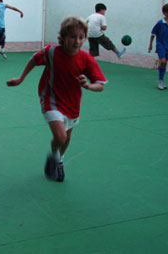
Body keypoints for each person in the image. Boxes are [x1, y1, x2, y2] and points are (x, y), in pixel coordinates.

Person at [6, 16, 107, 182]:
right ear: (63, 37)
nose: (77, 41)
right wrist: (20, 79)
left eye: (81, 37)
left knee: (67, 138)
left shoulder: (85, 59)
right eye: (72, 36)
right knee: (61, 137)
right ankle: (54, 157)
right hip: (51, 99)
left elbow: (100, 85)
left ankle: (57, 160)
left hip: (72, 104)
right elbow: (34, 60)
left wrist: (88, 85)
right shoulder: (51, 52)